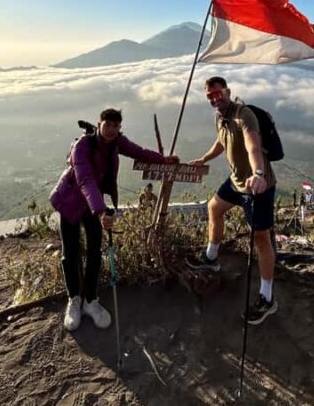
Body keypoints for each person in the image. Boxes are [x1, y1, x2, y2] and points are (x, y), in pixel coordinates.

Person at [50, 108, 178, 331]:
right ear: (99, 124)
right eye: (107, 125)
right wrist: (101, 212)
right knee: (70, 252)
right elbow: (85, 180)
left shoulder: (117, 142)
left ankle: (91, 300)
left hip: (92, 204)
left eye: (116, 126)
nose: (111, 130)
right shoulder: (83, 146)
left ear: (119, 127)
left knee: (94, 251)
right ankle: (74, 299)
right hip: (70, 201)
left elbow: (138, 152)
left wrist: (163, 160)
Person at [188, 77, 277, 325]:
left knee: (261, 238)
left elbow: (253, 147)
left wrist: (258, 174)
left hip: (258, 186)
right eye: (210, 96)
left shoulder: (243, 115)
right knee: (214, 208)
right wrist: (204, 159)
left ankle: (267, 298)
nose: (215, 99)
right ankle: (211, 258)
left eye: (218, 93)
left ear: (227, 91)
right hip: (237, 182)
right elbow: (221, 141)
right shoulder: (220, 117)